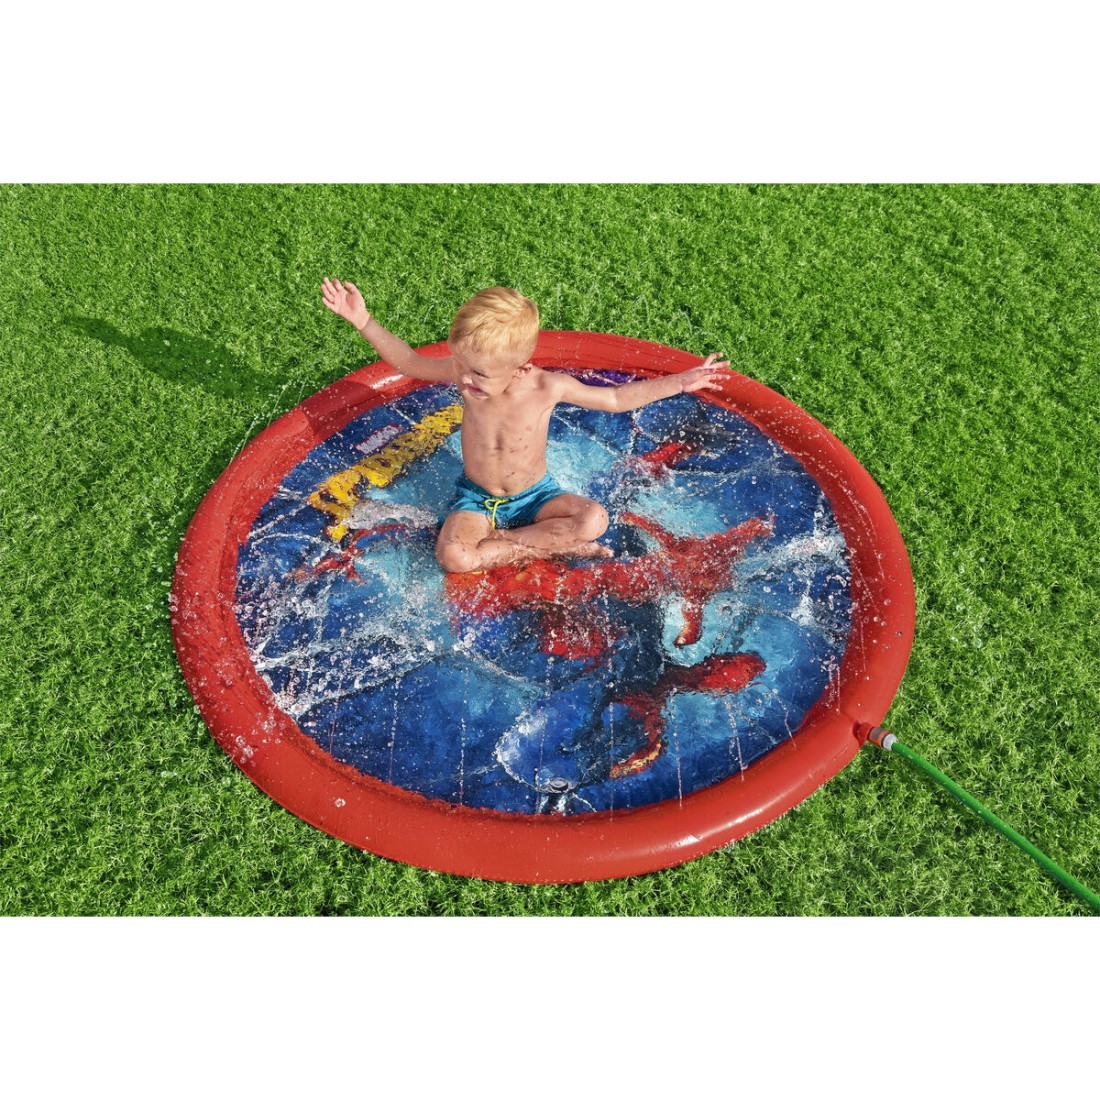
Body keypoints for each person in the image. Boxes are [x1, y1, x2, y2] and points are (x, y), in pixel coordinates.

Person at [321, 279, 727, 573]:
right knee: (454, 558)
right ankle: (548, 547)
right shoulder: (466, 373)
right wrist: (364, 321)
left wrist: (680, 383)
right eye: (460, 364)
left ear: (518, 367)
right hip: (477, 500)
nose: (464, 379)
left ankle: (506, 544)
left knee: (595, 520)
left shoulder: (546, 387)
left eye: (479, 373)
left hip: (536, 497)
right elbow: (410, 363)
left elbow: (616, 400)